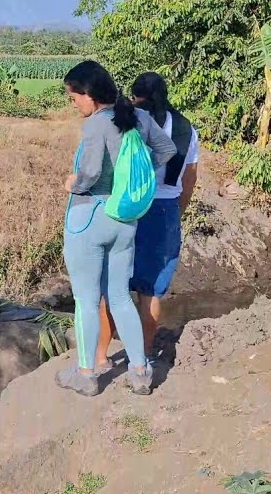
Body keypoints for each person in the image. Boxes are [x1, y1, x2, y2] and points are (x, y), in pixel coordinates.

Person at [56, 61, 176, 397]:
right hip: (124, 221)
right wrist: (133, 178)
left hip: (89, 220)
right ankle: (140, 371)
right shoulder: (137, 116)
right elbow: (167, 150)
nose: (74, 104)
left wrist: (73, 185)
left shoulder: (96, 125)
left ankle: (86, 374)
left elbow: (91, 174)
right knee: (121, 296)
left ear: (90, 95)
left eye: (75, 97)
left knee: (86, 301)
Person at [95, 72, 200, 368]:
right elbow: (190, 178)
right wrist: (176, 213)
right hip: (166, 209)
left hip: (129, 206)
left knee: (114, 286)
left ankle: (102, 355)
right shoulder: (186, 128)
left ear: (135, 94)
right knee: (150, 292)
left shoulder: (132, 119)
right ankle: (141, 355)